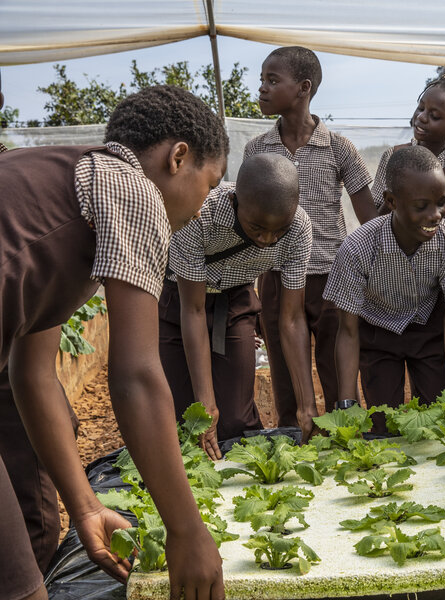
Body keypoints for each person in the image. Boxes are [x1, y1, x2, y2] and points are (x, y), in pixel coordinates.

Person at [0, 85, 228, 600]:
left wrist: (83, 505)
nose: (202, 207)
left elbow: (31, 374)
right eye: (208, 185)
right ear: (178, 158)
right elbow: (136, 378)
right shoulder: (133, 190)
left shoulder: (62, 181)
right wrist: (186, 531)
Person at [244, 46, 377, 419]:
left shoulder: (338, 148)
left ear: (303, 87)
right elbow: (249, 222)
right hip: (276, 276)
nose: (262, 89)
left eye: (272, 80)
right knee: (285, 376)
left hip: (330, 277)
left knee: (338, 374)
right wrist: (254, 284)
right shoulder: (257, 150)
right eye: (262, 81)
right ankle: (294, 441)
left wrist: (364, 274)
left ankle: (343, 441)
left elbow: (370, 219)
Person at [159, 153, 315, 452]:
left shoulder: (299, 228)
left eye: (278, 230)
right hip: (179, 303)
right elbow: (193, 310)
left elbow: (292, 319)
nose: (268, 239)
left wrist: (305, 404)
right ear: (235, 202)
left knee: (235, 419)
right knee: (188, 419)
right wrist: (206, 403)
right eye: (257, 228)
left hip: (236, 303)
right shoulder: (200, 214)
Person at [324, 145, 445, 433]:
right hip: (377, 331)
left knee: (437, 419)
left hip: (427, 327)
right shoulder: (358, 248)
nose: (435, 215)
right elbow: (347, 329)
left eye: (441, 202)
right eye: (421, 206)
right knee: (383, 425)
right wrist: (346, 402)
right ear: (391, 201)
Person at [371, 59, 445, 213]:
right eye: (420, 107)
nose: (421, 117)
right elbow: (374, 217)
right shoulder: (393, 156)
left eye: (435, 116)